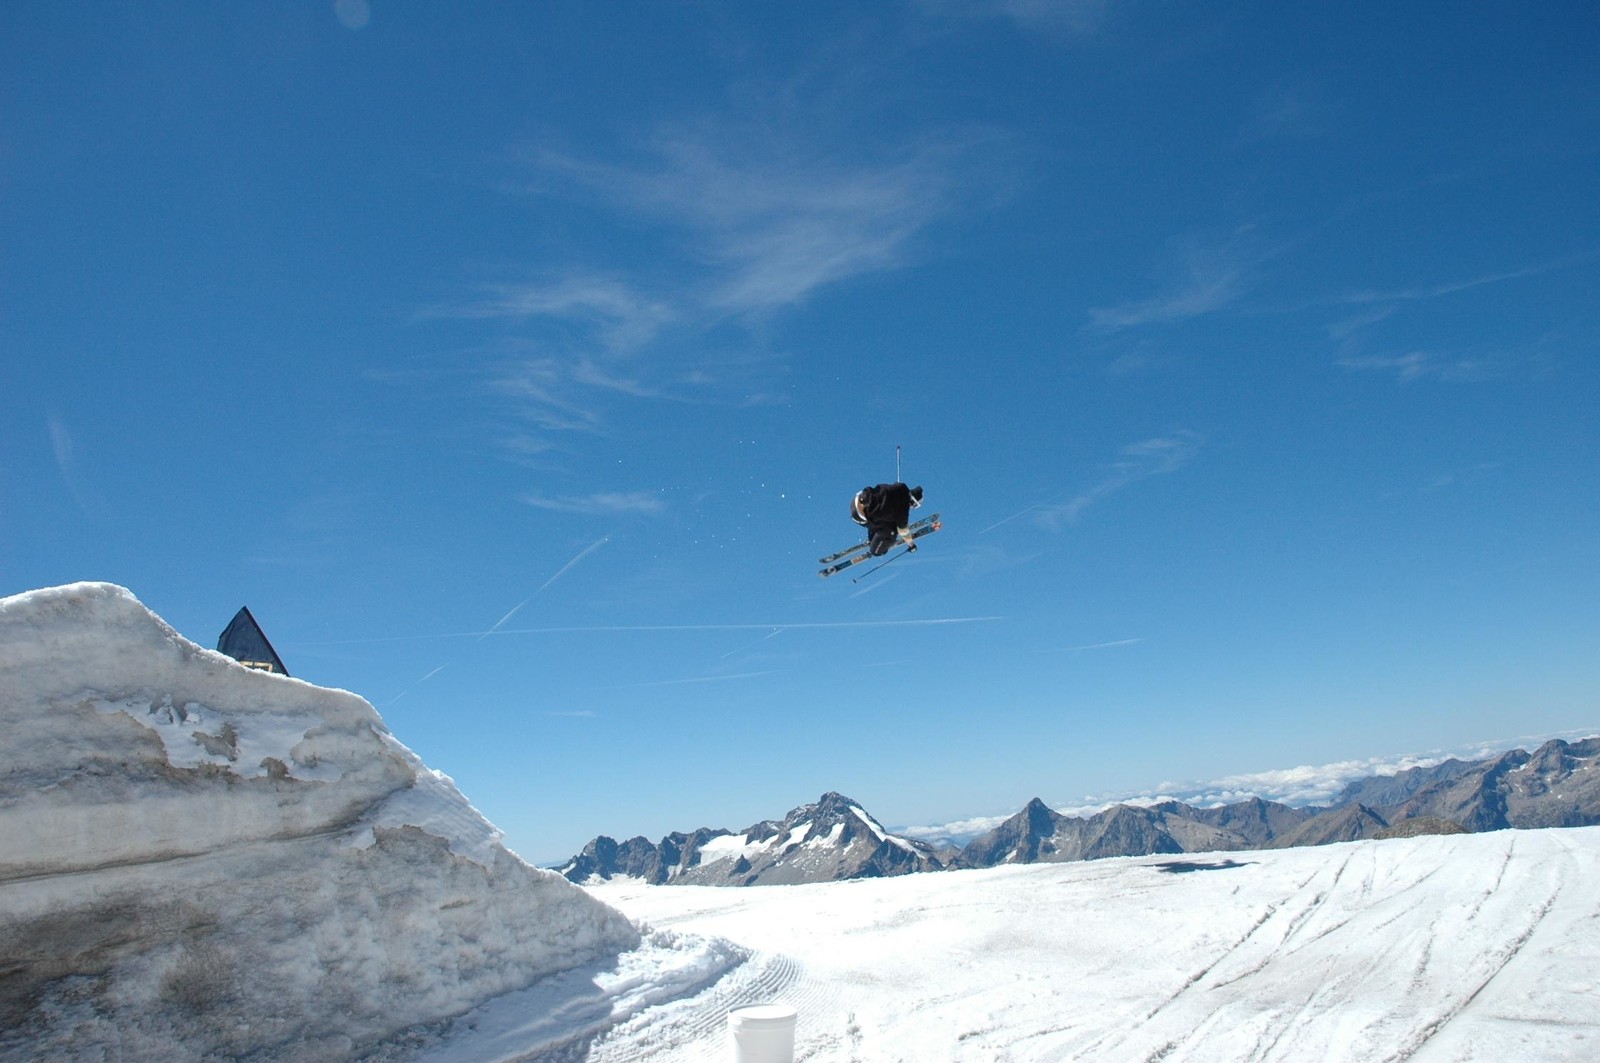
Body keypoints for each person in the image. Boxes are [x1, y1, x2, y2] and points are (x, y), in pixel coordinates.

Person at [851, 483, 924, 556]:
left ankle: (873, 538)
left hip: (857, 500)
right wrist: (911, 545)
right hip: (860, 516)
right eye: (915, 506)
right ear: (913, 501)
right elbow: (903, 531)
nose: (912, 507)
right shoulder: (903, 509)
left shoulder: (900, 487)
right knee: (892, 531)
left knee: (885, 518)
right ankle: (876, 550)